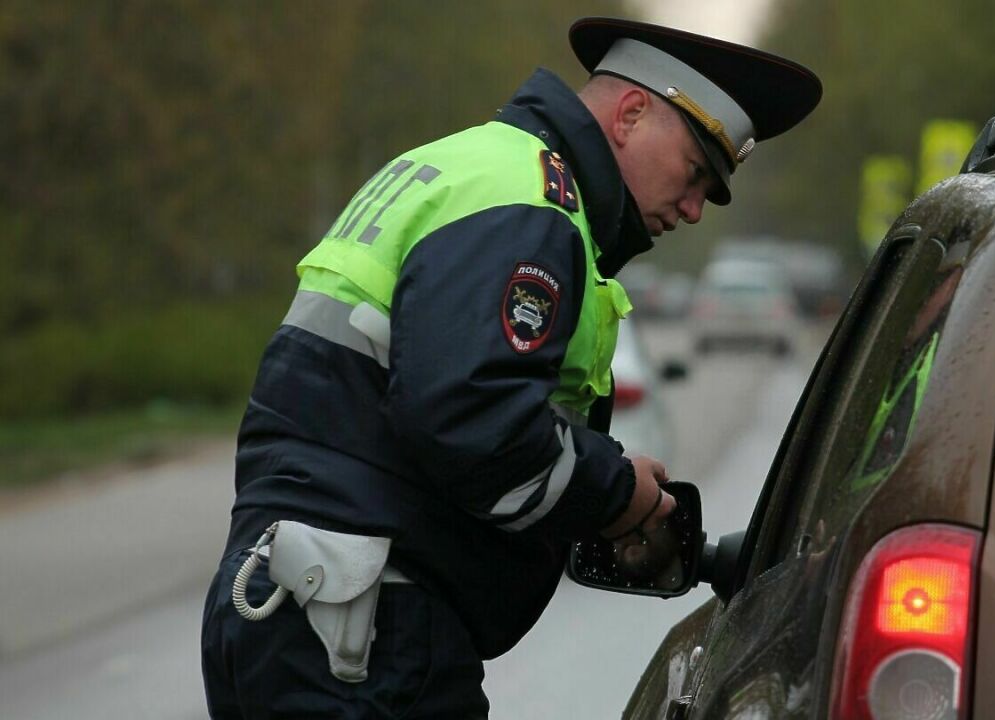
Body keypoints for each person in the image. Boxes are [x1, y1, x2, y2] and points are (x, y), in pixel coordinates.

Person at [200, 16, 821, 719]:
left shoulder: (463, 165)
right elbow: (471, 419)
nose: (694, 209)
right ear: (632, 112)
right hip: (364, 635)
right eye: (695, 173)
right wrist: (621, 497)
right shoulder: (531, 206)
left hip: (295, 606)